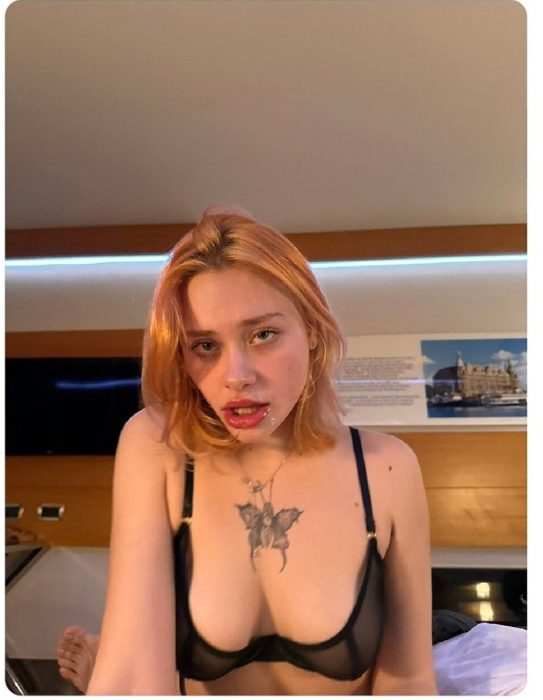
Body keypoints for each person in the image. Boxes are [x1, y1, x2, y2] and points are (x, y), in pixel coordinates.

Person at [57, 205, 437, 695]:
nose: (235, 376)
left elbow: (409, 681)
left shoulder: (387, 468)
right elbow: (133, 676)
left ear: (312, 331)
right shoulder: (159, 444)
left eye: (263, 335)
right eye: (205, 346)